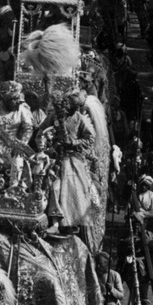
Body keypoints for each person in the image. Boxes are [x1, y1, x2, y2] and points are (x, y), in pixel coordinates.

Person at [37, 92, 97, 237]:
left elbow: (90, 138)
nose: (68, 107)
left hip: (72, 160)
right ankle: (55, 222)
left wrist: (73, 142)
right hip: (55, 157)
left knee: (71, 190)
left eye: (72, 105)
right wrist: (45, 141)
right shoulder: (54, 116)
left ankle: (70, 223)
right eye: (67, 103)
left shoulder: (80, 119)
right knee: (54, 187)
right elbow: (41, 130)